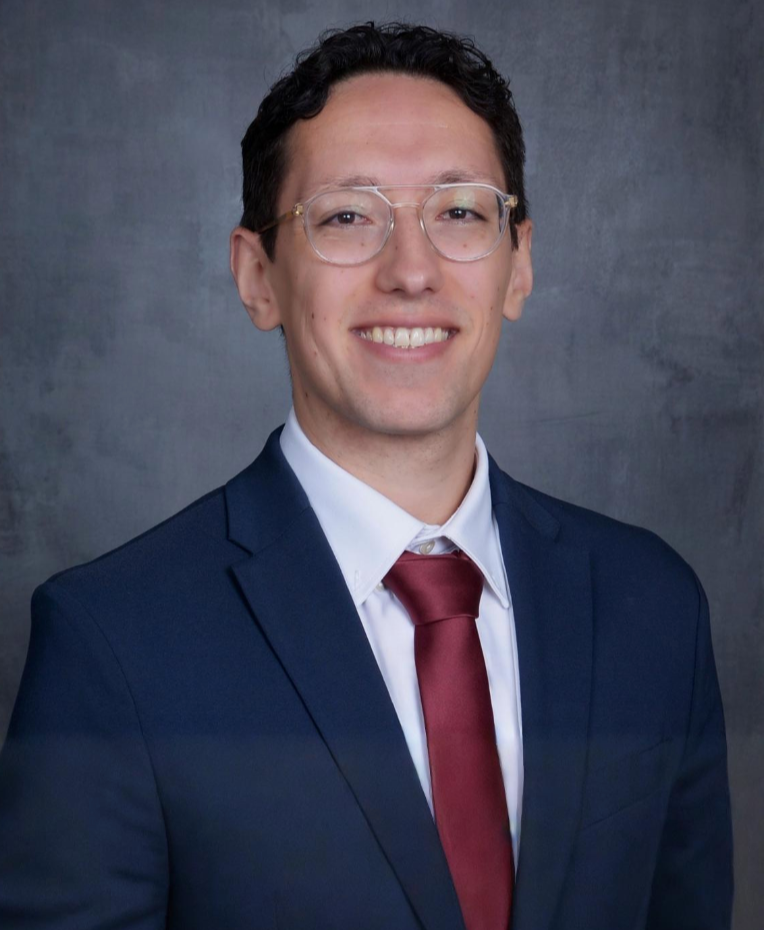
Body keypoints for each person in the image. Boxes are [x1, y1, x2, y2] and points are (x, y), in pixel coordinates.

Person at [0, 22, 732, 930]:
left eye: (460, 211)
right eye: (348, 216)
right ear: (257, 276)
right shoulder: (112, 644)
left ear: (520, 263)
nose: (412, 271)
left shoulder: (653, 605)